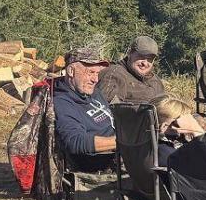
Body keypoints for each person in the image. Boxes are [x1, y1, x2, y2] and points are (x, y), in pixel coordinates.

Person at [53, 38, 116, 172]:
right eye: (90, 72)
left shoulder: (91, 91)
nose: (95, 79)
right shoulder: (62, 102)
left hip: (119, 148)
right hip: (100, 161)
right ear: (71, 71)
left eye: (97, 73)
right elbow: (75, 141)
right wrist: (122, 143)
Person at [96, 35, 165, 104]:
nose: (145, 63)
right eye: (141, 56)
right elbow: (107, 107)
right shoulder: (114, 74)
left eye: (150, 59)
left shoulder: (156, 82)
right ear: (129, 53)